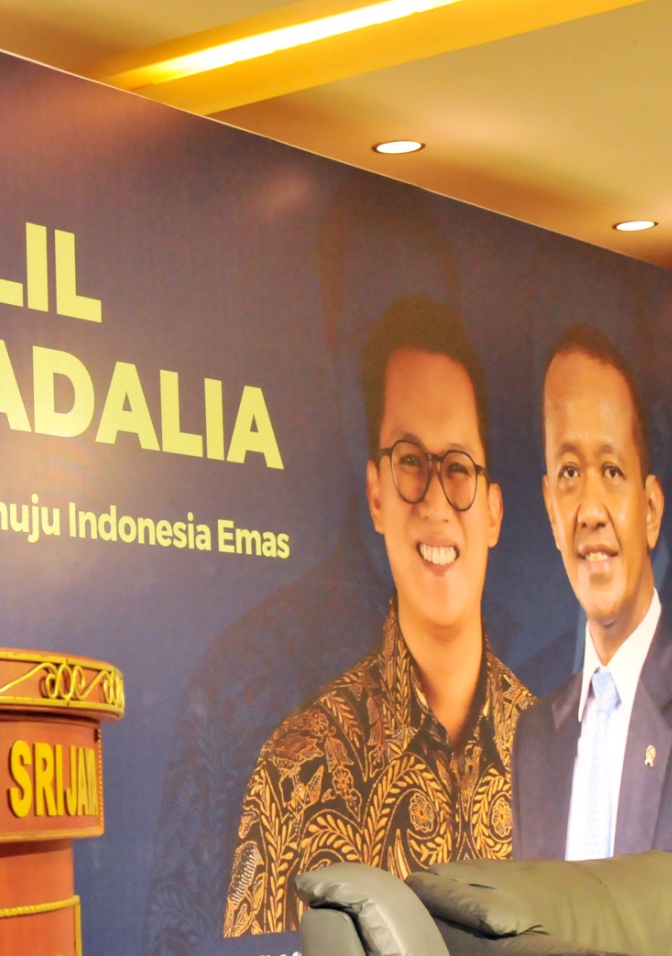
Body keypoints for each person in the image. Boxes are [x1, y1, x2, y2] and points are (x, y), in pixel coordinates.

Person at [223, 298, 534, 936]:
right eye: (411, 462)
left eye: (458, 468)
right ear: (375, 495)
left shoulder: (553, 751)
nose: (437, 503)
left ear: (494, 512)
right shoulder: (298, 767)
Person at [512, 324, 672, 861]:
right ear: (551, 511)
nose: (591, 511)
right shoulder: (533, 742)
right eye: (570, 472)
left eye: (612, 471)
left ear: (651, 508)